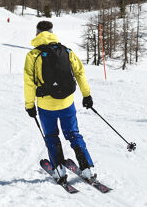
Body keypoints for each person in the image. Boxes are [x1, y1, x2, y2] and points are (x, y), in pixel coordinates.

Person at [24, 20, 96, 183]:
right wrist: (86, 95)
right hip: (66, 103)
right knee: (73, 134)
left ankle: (59, 170)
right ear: (52, 32)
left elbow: (29, 83)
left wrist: (29, 105)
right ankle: (87, 169)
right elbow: (80, 73)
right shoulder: (67, 51)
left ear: (37, 34)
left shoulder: (33, 55)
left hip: (45, 106)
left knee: (51, 136)